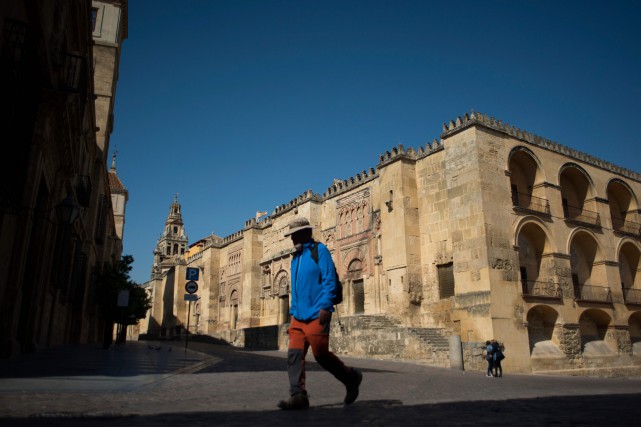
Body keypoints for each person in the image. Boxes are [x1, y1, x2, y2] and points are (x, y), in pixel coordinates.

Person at [277, 217, 363, 410]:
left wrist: (325, 306)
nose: (292, 239)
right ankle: (298, 395)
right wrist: (292, 313)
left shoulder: (319, 251)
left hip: (318, 312)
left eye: (295, 234)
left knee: (320, 354)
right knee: (294, 356)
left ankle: (351, 378)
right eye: (291, 235)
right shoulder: (295, 258)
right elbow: (297, 290)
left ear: (306, 233)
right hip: (298, 317)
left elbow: (329, 280)